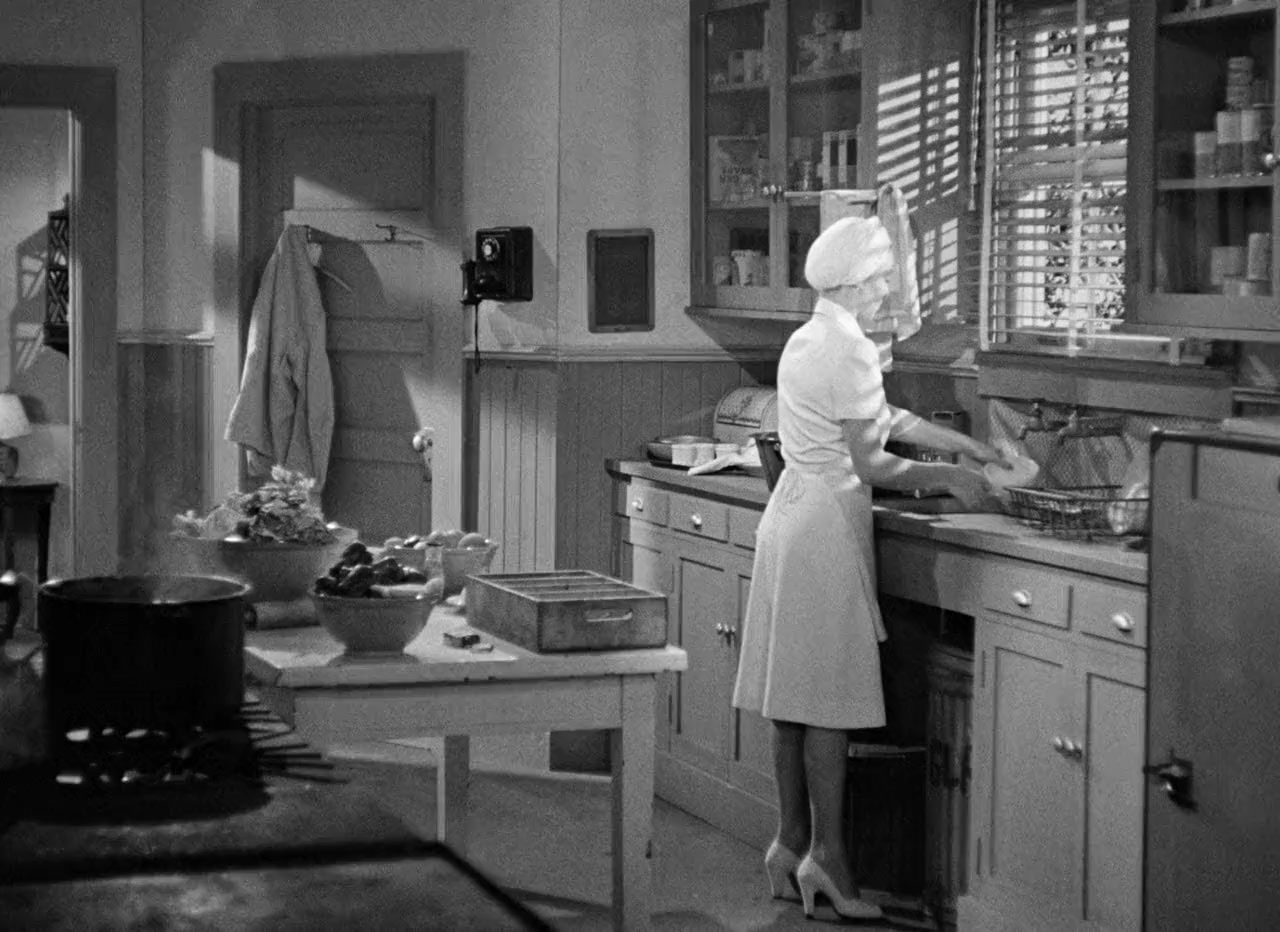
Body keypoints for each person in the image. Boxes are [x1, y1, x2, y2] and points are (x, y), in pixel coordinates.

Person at [731, 215, 1006, 922]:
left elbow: (882, 417)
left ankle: (789, 843)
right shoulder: (849, 346)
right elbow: (872, 461)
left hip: (789, 519)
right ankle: (831, 859)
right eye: (882, 277)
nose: (888, 289)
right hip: (824, 530)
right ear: (855, 282)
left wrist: (962, 445)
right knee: (827, 704)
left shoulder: (809, 337)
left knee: (791, 701)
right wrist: (953, 477)